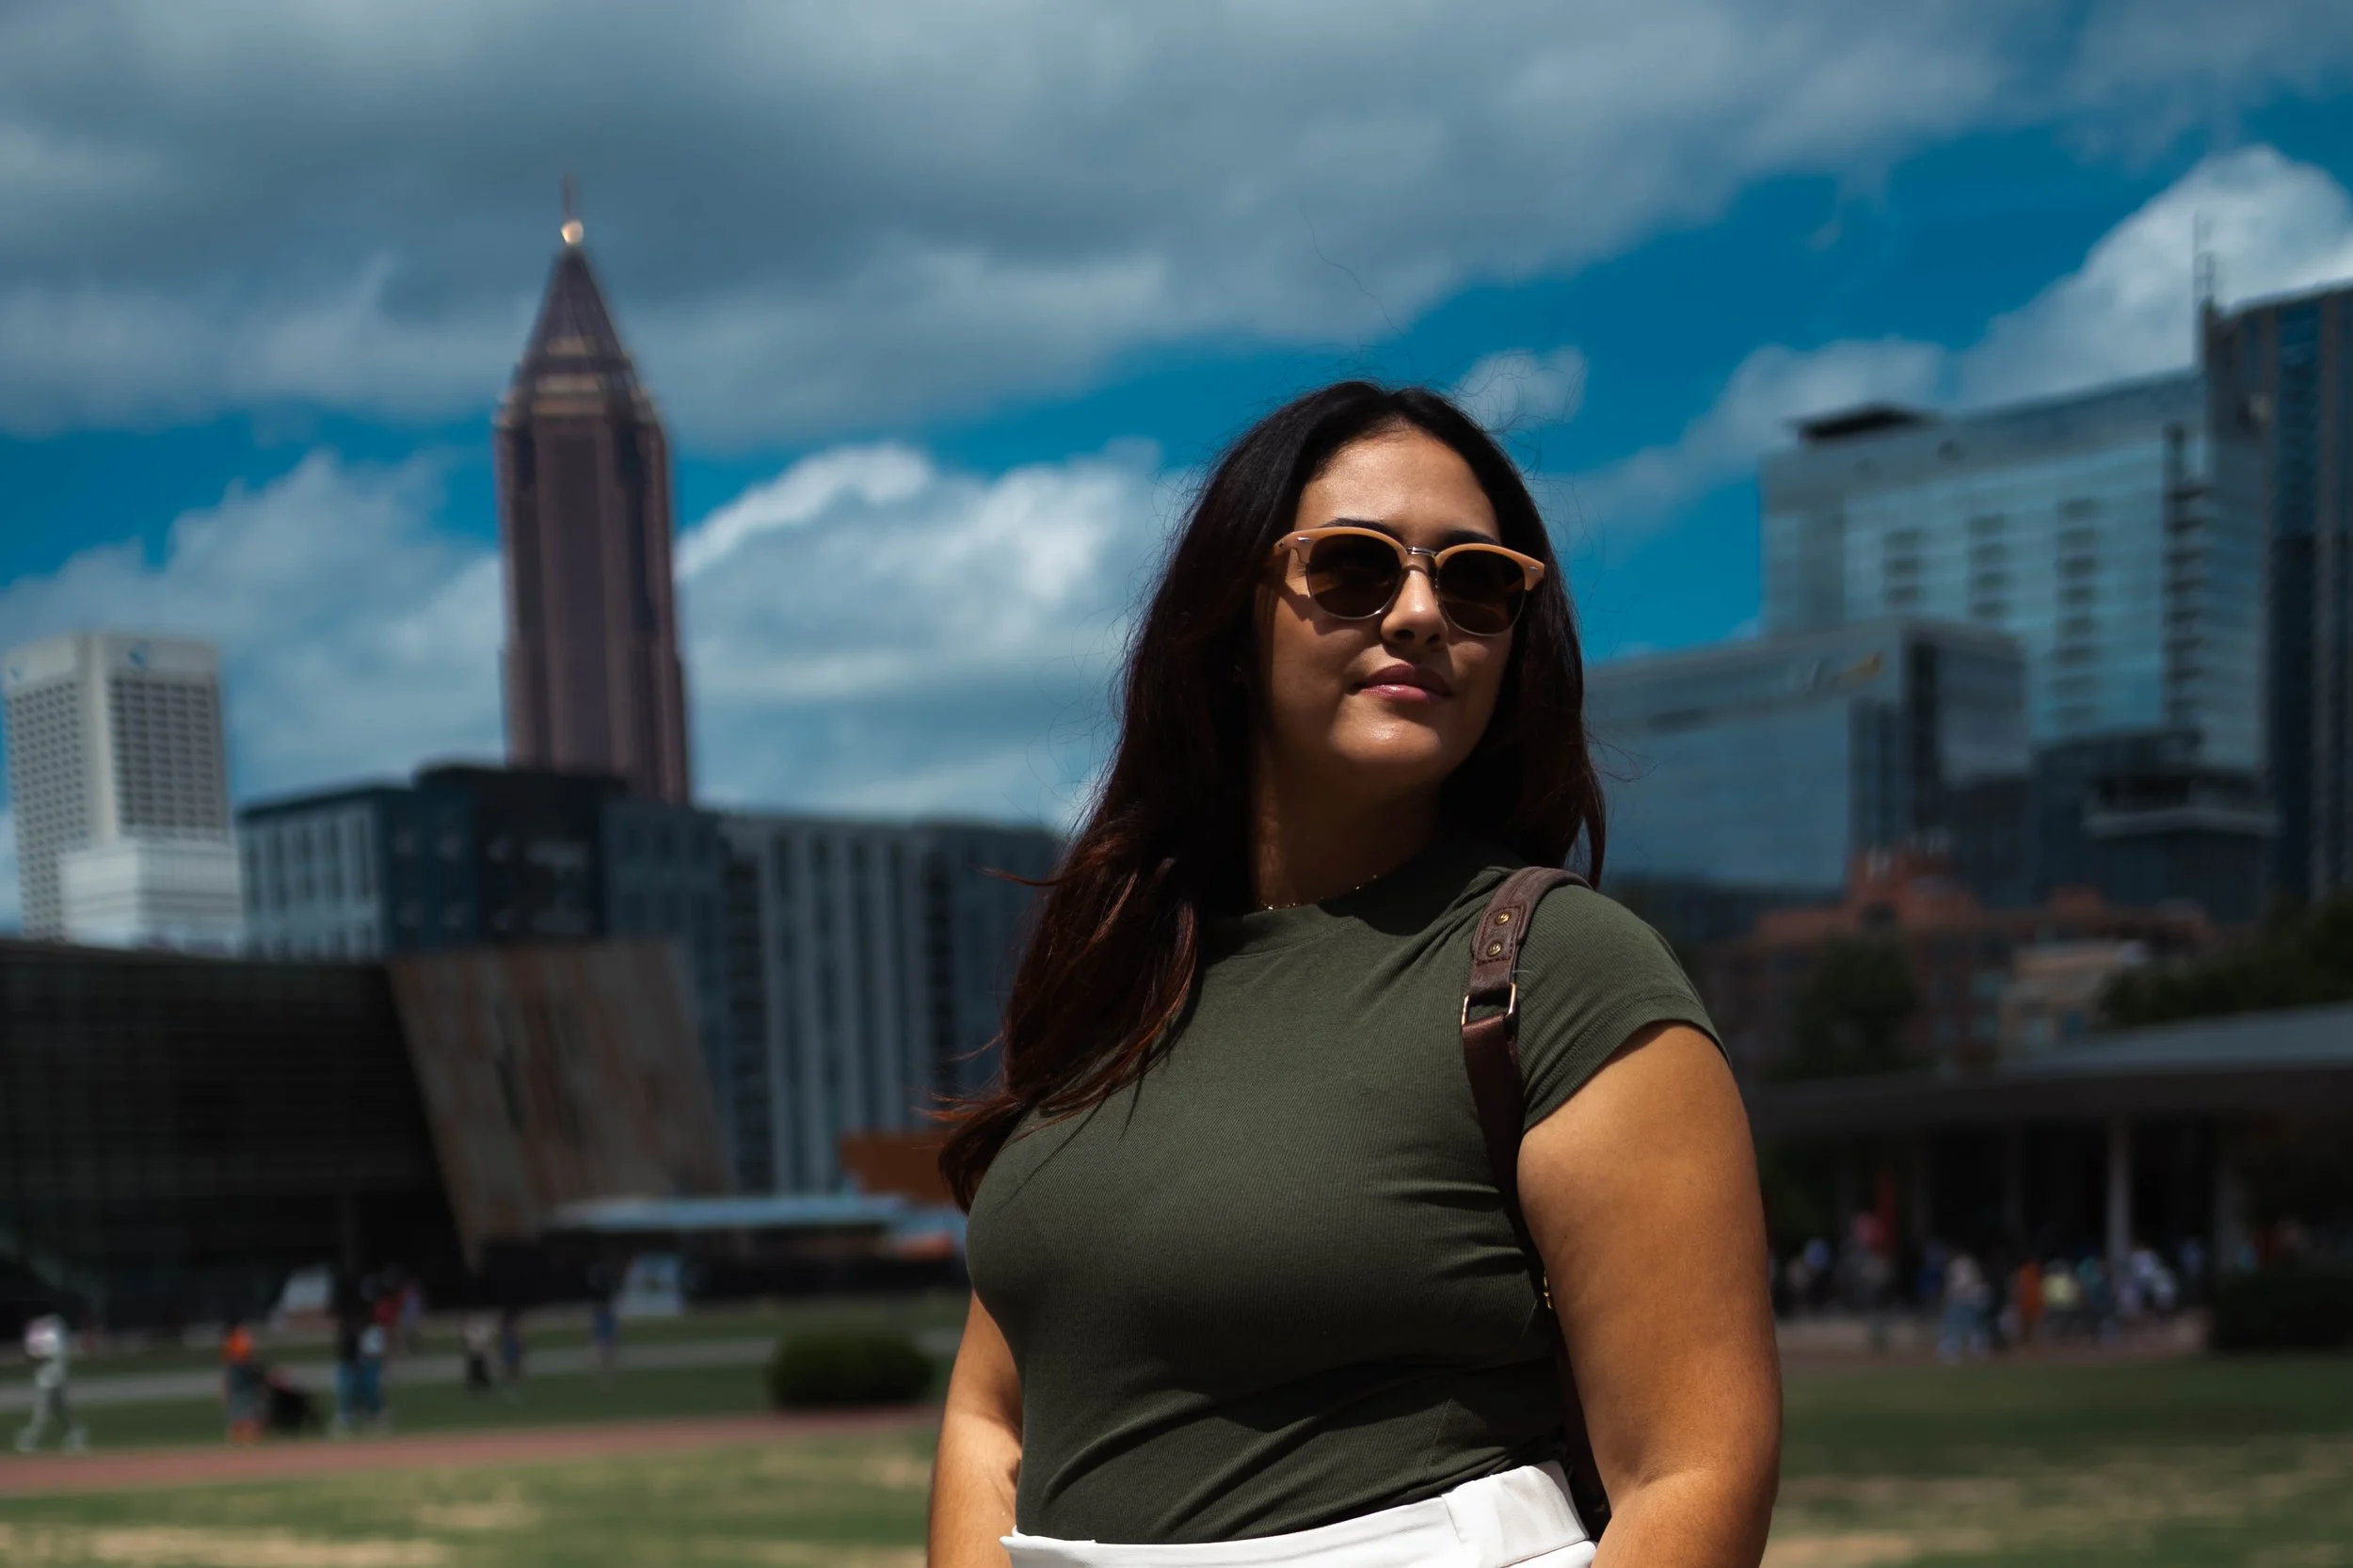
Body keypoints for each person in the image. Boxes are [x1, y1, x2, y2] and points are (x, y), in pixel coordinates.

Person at [930, 383, 1781, 1567]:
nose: (1423, 612)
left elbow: (1692, 1472)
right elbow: (992, 1416)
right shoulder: (1121, 968)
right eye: (1352, 566)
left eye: (1477, 579)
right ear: (1230, 616)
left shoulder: (1562, 967)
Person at [14, 1314, 88, 1453]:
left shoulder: (54, 1340)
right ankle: (27, 1440)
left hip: (57, 1381)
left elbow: (46, 1355)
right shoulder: (45, 1339)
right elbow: (36, 1357)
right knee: (42, 1416)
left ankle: (75, 1437)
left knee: (63, 1412)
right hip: (46, 1382)